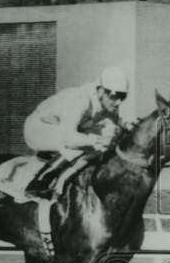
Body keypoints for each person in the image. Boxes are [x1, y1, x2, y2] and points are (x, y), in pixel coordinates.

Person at [23, 66, 129, 199]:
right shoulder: (80, 98)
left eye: (123, 97)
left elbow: (114, 130)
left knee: (103, 143)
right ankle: (38, 182)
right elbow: (69, 139)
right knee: (84, 144)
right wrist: (94, 140)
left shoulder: (109, 105)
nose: (118, 102)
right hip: (38, 129)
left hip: (59, 129)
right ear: (101, 90)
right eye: (115, 96)